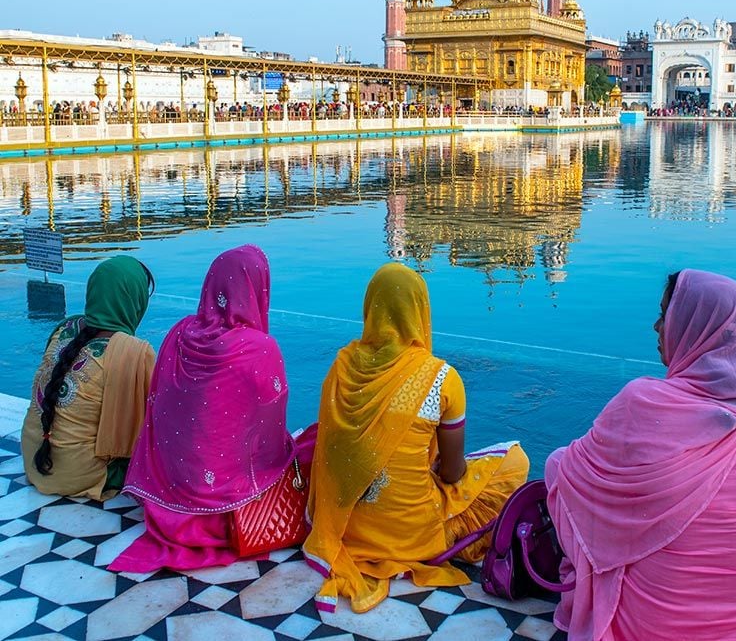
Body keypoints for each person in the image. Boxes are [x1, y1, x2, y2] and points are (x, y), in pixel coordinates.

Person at [545, 269, 736, 641]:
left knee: (561, 466)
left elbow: (574, 481)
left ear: (696, 327)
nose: (657, 327)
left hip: (647, 627)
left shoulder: (642, 405)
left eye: (666, 315)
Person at [304, 262, 529, 614]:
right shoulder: (442, 377)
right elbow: (453, 474)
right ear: (420, 313)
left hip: (343, 530)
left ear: (371, 309)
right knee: (515, 460)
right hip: (412, 536)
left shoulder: (341, 366)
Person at [111, 245, 295, 572]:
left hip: (167, 499)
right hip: (230, 513)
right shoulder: (259, 349)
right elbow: (271, 439)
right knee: (304, 449)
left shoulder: (179, 333)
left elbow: (161, 408)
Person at [22, 256, 156, 500]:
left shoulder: (66, 327)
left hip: (32, 456)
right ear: (135, 300)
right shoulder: (134, 351)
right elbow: (152, 422)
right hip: (78, 473)